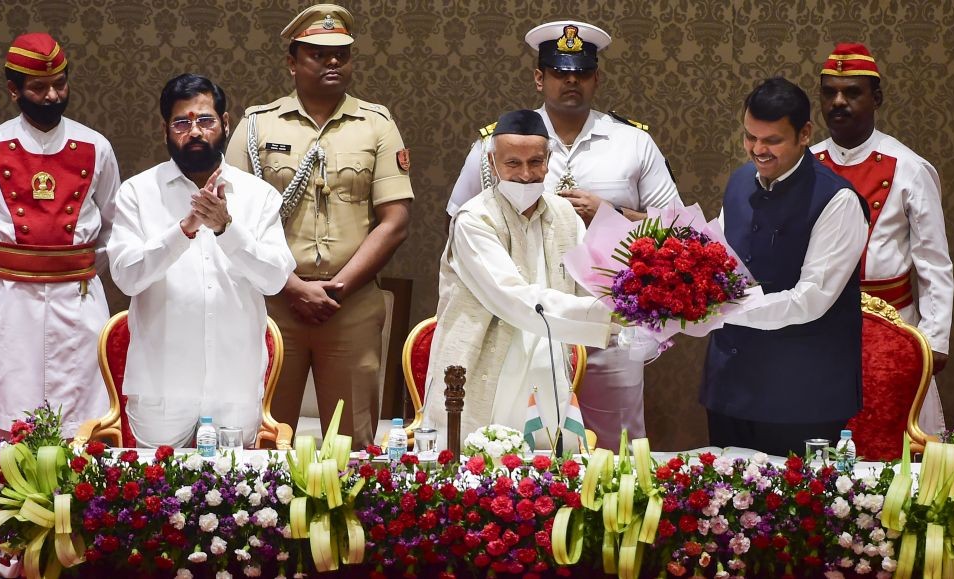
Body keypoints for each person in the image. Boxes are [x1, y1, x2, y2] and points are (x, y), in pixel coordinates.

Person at [447, 20, 682, 450]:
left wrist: (611, 215)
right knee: (522, 445)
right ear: (540, 77)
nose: (570, 81)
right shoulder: (500, 141)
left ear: (596, 77)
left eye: (581, 73)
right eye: (559, 72)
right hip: (519, 325)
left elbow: (676, 233)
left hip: (607, 323)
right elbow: (463, 220)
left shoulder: (632, 142)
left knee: (615, 443)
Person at [226, 3, 413, 447]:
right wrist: (291, 288)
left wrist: (339, 288)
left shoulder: (377, 125)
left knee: (350, 443)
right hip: (274, 304)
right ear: (292, 63)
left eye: (342, 54)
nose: (333, 62)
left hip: (349, 304)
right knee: (266, 436)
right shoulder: (255, 125)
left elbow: (396, 220)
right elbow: (230, 222)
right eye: (317, 53)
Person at [0, 32, 120, 579]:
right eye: (39, 87)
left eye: (60, 84)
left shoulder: (97, 147)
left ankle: (78, 552)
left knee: (83, 426)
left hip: (80, 304)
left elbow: (116, 232)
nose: (53, 96)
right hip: (9, 305)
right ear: (14, 90)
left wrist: (80, 272)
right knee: (10, 433)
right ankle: (4, 558)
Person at [107, 74, 295, 447]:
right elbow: (127, 277)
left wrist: (227, 229)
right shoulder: (138, 193)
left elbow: (274, 279)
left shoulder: (259, 196)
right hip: (161, 388)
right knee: (155, 502)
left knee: (233, 503)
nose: (194, 131)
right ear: (165, 130)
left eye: (205, 120)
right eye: (182, 122)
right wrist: (184, 230)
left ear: (225, 124)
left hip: (234, 388)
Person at [424, 109, 616, 451]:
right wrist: (609, 317)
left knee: (548, 485)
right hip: (486, 366)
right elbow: (513, 298)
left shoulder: (567, 216)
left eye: (536, 162)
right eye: (513, 163)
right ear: (493, 162)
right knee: (477, 477)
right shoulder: (474, 219)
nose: (526, 175)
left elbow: (595, 286)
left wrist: (640, 312)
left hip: (549, 367)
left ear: (549, 159)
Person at [701, 77, 870, 457]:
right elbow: (717, 261)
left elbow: (810, 300)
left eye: (772, 140)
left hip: (802, 395)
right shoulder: (740, 181)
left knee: (796, 512)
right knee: (721, 507)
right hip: (730, 385)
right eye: (750, 137)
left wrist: (723, 310)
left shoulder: (837, 200)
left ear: (805, 134)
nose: (757, 150)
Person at [811, 43, 954, 434]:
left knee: (896, 440)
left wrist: (934, 338)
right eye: (829, 93)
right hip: (819, 325)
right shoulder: (806, 165)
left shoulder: (910, 168)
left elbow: (933, 261)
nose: (838, 102)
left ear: (876, 98)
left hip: (895, 325)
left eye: (852, 92)